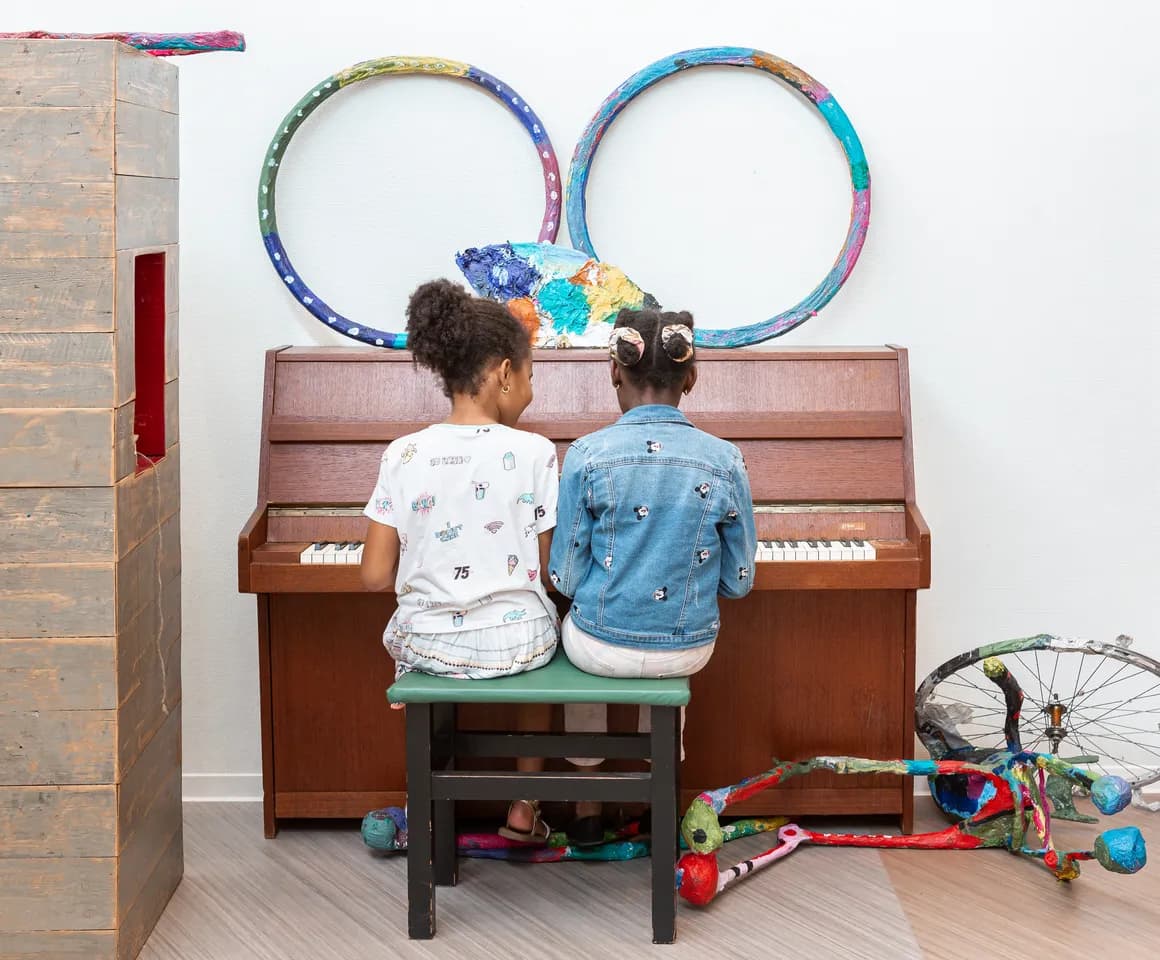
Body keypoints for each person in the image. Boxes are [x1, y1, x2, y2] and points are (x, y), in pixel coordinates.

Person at [548, 308, 757, 844]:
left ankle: (589, 807)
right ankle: (656, 799)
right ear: (692, 377)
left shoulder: (587, 454)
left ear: (615, 371)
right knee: (663, 656)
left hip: (601, 645)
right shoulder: (725, 459)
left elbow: (565, 578)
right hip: (685, 646)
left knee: (583, 632)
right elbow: (739, 582)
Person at [360, 279, 558, 843]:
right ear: (502, 373)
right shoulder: (536, 452)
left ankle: (420, 804)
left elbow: (374, 575)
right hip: (521, 645)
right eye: (529, 377)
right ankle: (524, 805)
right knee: (537, 627)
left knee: (413, 636)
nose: (530, 392)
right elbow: (549, 572)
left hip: (430, 644)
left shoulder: (404, 453)